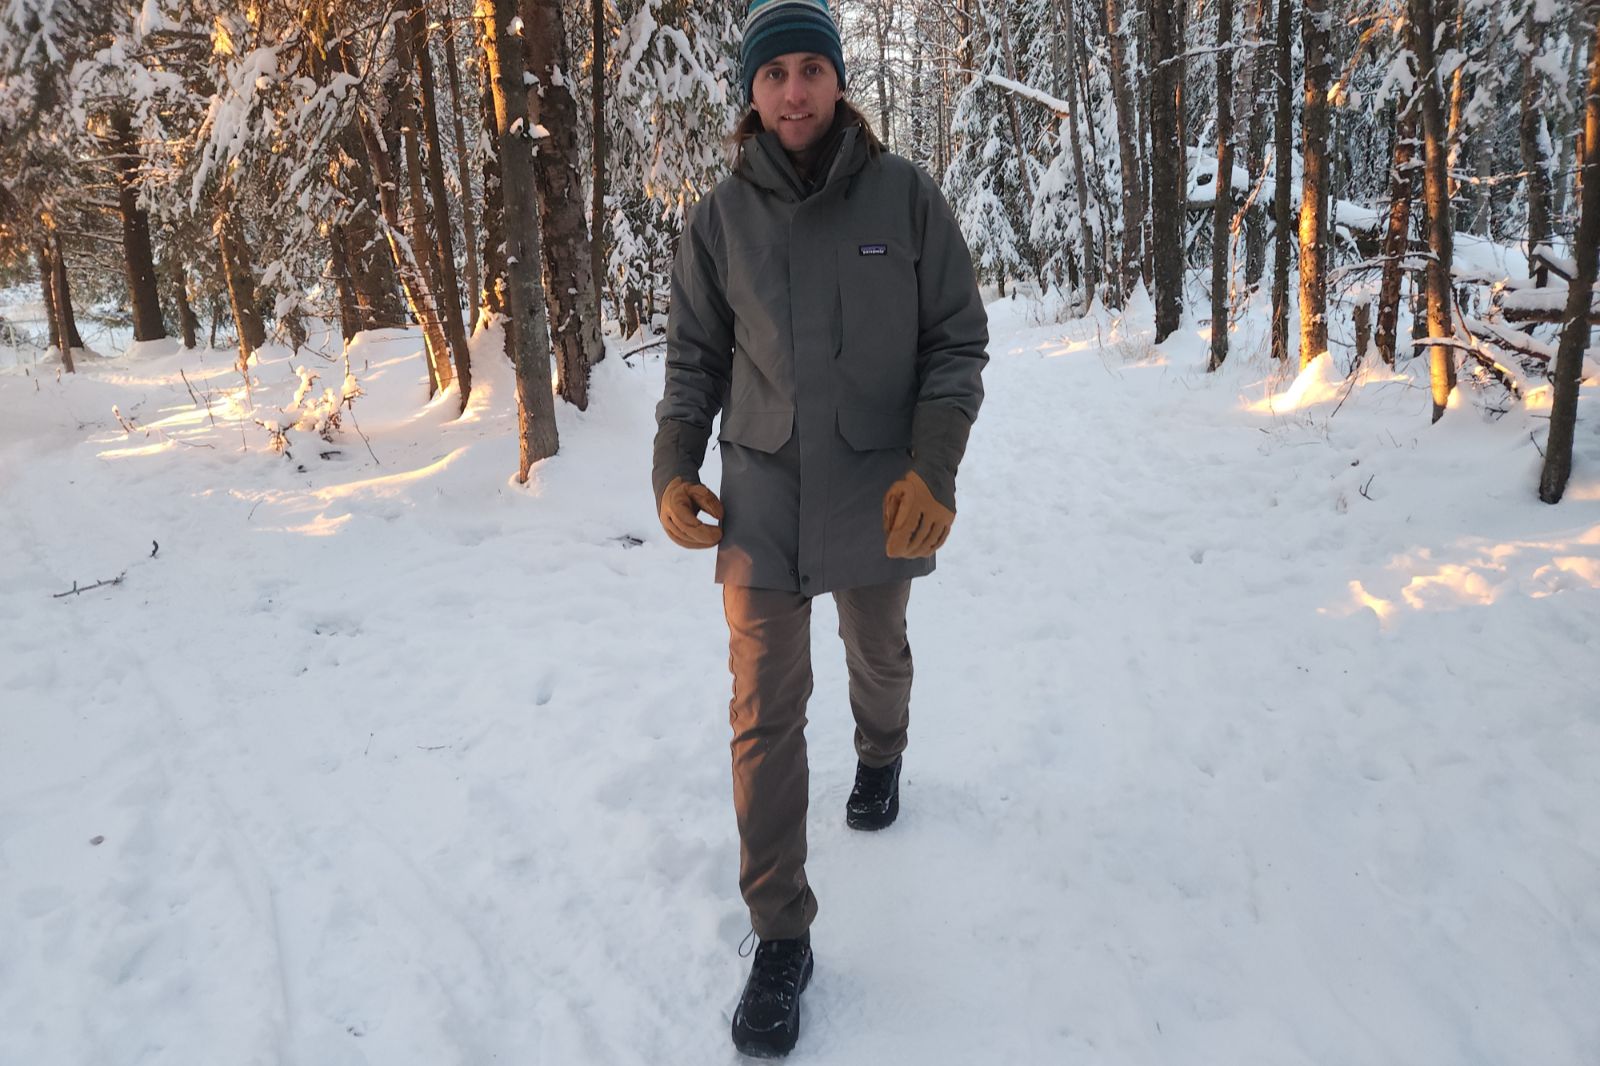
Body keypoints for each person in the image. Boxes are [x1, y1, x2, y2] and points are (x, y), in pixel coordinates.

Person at [651, 0, 988, 1056]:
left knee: (874, 651)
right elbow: (693, 363)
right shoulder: (715, 221)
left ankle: (882, 752)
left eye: (811, 69)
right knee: (763, 710)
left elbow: (954, 344)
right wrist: (673, 465)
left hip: (879, 489)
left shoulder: (906, 197)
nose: (793, 90)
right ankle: (779, 933)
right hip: (760, 495)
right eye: (773, 74)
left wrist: (934, 463)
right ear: (749, 93)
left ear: (839, 80)